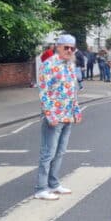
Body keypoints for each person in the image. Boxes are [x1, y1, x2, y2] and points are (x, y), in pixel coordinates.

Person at [34, 34, 82, 200]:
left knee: (60, 152)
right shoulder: (48, 65)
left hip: (68, 116)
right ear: (58, 47)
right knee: (48, 153)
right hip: (54, 117)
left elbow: (72, 91)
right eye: (66, 47)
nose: (69, 50)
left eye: (72, 48)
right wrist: (50, 114)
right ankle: (41, 188)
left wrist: (76, 111)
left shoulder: (70, 65)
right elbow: (43, 91)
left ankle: (53, 184)